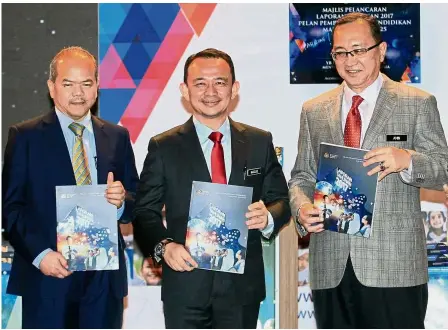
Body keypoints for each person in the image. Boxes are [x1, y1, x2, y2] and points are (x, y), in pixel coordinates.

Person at [289, 13, 448, 329]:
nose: (350, 60)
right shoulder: (314, 110)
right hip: (330, 267)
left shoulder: (417, 103)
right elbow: (302, 176)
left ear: (381, 50)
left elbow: (442, 167)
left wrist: (407, 160)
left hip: (395, 266)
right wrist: (302, 207)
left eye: (359, 49)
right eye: (340, 52)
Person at [133, 48, 290, 329]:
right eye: (200, 83)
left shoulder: (259, 141)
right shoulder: (163, 146)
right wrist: (164, 246)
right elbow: (145, 211)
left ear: (234, 88)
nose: (210, 91)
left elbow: (280, 200)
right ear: (184, 89)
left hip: (242, 287)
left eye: (220, 82)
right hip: (185, 285)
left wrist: (267, 217)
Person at [2, 46, 139, 328]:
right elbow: (11, 209)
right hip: (48, 278)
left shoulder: (117, 136)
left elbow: (136, 200)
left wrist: (122, 201)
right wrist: (41, 256)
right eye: (68, 84)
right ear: (52, 87)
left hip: (104, 281)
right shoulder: (25, 137)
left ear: (97, 87)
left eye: (86, 84)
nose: (78, 92)